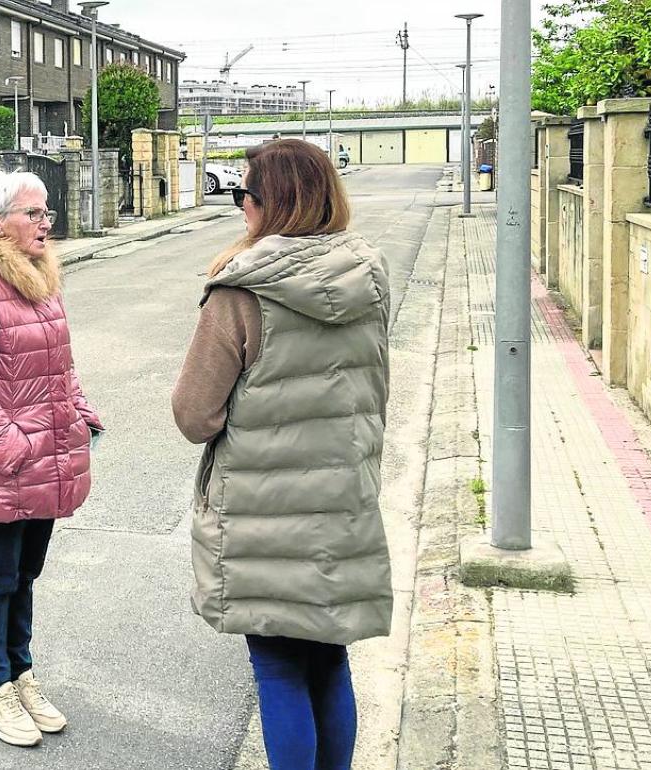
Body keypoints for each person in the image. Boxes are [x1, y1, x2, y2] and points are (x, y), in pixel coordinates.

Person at [171, 139, 393, 770]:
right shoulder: (369, 275)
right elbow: (375, 389)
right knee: (328, 657)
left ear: (271, 204)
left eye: (244, 194)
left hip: (263, 513)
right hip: (343, 499)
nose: (238, 205)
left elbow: (194, 415)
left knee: (277, 668)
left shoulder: (239, 292)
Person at [0, 169, 103, 747]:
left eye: (45, 213)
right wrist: (13, 449)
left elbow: (62, 366)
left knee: (25, 574)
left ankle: (20, 672)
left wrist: (81, 414)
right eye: (33, 214)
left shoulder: (42, 281)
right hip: (6, 464)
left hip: (49, 456)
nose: (45, 223)